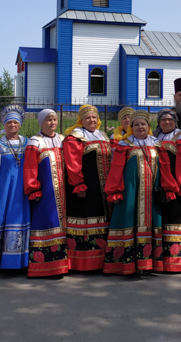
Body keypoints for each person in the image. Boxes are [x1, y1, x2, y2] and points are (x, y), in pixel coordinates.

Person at [103, 110, 178, 275]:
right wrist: (114, 191)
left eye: (143, 124)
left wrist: (169, 187)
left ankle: (149, 264)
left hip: (152, 194)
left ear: (149, 126)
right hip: (131, 193)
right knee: (130, 222)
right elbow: (116, 169)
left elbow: (165, 168)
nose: (140, 127)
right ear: (131, 128)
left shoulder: (157, 145)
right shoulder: (125, 145)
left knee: (151, 224)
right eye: (136, 125)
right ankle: (129, 264)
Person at [62, 105, 113, 271]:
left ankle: (100, 261)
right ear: (81, 120)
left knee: (102, 219)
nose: (91, 120)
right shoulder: (75, 137)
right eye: (87, 118)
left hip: (102, 188)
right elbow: (72, 163)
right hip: (86, 188)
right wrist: (78, 184)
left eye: (94, 117)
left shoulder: (103, 135)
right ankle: (83, 262)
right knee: (87, 218)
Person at [23, 109, 69, 277]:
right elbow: (29, 167)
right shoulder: (35, 142)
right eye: (49, 120)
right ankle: (46, 265)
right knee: (48, 223)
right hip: (46, 193)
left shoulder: (63, 140)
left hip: (63, 193)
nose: (52, 123)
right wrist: (33, 188)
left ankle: (63, 265)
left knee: (63, 225)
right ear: (41, 122)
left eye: (55, 120)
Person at [0, 104, 31, 271]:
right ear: (4, 125)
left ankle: (21, 262)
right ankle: (3, 262)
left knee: (20, 220)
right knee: (3, 220)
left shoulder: (28, 143)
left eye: (15, 123)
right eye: (9, 123)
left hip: (21, 190)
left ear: (20, 124)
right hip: (5, 191)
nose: (12, 126)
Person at [155, 108, 181, 272]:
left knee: (175, 220)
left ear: (175, 122)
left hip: (175, 188)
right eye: (163, 120)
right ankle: (160, 260)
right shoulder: (155, 137)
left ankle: (175, 262)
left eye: (170, 120)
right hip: (159, 188)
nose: (167, 122)